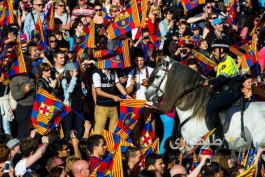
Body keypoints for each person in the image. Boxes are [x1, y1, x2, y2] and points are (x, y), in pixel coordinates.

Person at [204, 39, 242, 149]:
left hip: (231, 92)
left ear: (222, 50)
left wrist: (209, 82)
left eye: (215, 50)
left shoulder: (228, 61)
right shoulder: (221, 62)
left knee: (211, 109)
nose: (213, 53)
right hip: (224, 90)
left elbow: (221, 79)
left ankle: (220, 138)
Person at [9, 58, 36, 140]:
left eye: (30, 65)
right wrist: (24, 91)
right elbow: (15, 96)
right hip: (23, 108)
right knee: (23, 131)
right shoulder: (15, 79)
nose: (29, 67)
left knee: (34, 130)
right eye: (27, 66)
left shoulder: (32, 76)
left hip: (34, 106)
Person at [61, 62, 87, 141]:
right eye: (73, 71)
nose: (75, 73)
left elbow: (85, 94)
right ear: (69, 72)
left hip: (79, 107)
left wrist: (83, 88)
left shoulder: (79, 79)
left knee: (79, 130)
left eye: (76, 71)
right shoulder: (64, 81)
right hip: (69, 108)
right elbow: (69, 91)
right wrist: (74, 78)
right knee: (68, 131)